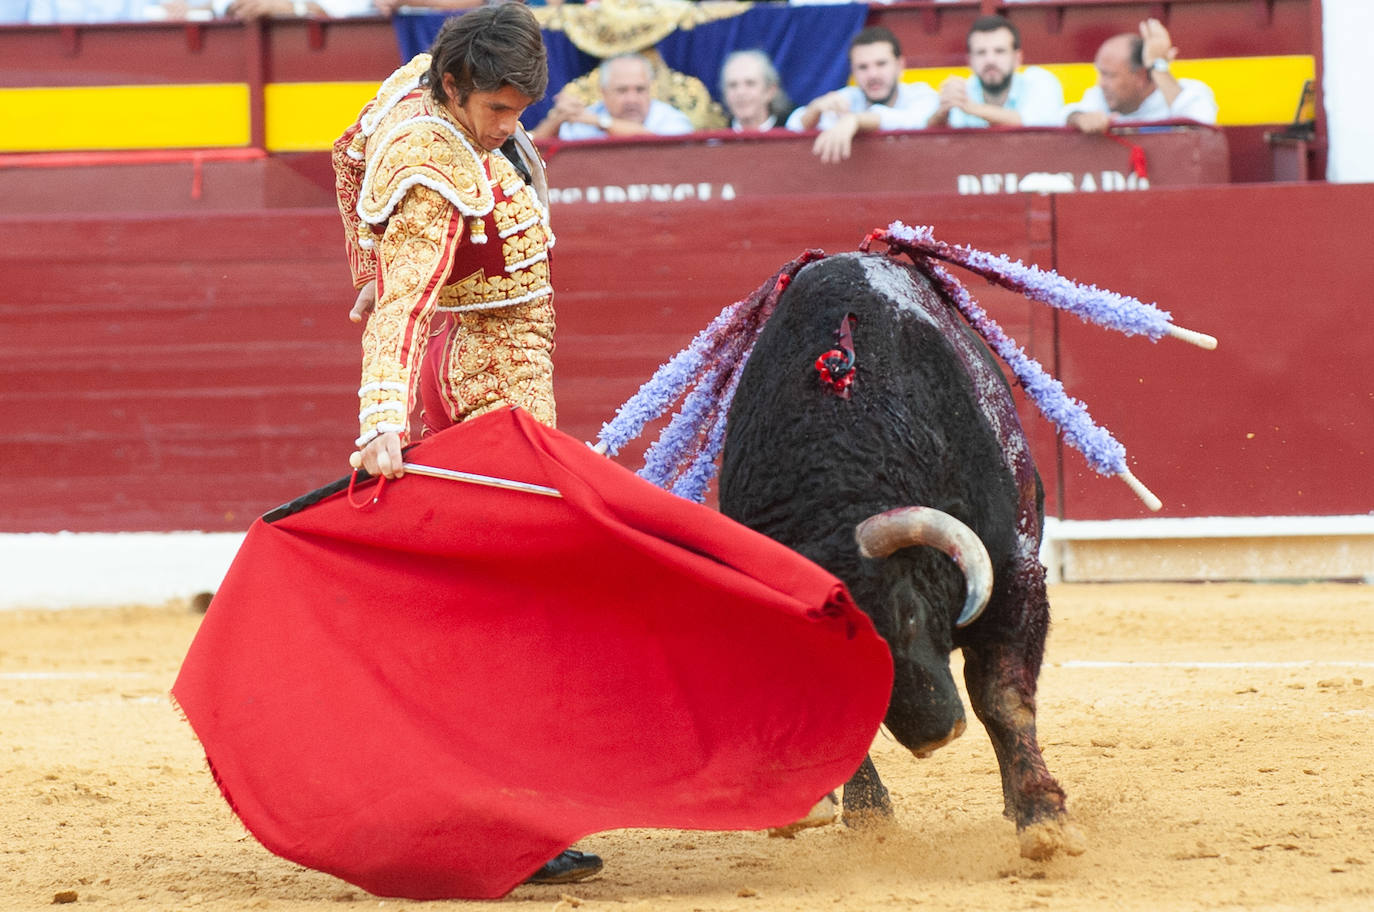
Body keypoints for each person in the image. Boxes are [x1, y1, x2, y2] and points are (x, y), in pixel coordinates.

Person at [331, 6, 600, 883]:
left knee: (494, 599)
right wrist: (379, 421)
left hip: (483, 364)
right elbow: (407, 308)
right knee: (518, 607)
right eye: (495, 111)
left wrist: (361, 267)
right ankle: (509, 821)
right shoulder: (432, 169)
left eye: (520, 110)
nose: (507, 131)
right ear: (454, 88)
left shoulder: (416, 80)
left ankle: (482, 804)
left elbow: (344, 152)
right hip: (489, 384)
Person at [784, 26, 938, 164]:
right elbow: (793, 125)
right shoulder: (849, 98)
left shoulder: (921, 94)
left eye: (881, 64)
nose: (872, 74)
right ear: (853, 71)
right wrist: (814, 109)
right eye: (863, 67)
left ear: (900, 65)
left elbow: (917, 120)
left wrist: (856, 120)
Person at [1063, 18, 1218, 132]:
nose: (1101, 83)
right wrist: (1078, 118)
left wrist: (1158, 64)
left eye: (1109, 75)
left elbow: (1201, 123)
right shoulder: (1099, 96)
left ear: (1141, 77)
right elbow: (1064, 115)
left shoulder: (1189, 90)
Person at [927, 15, 1064, 128]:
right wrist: (941, 114)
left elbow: (1037, 124)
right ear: (970, 61)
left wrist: (971, 108)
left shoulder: (1040, 81)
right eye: (981, 53)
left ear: (1017, 58)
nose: (990, 60)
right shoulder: (961, 91)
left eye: (1000, 51)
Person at [530, 53, 694, 140]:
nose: (632, 99)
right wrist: (558, 119)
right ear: (604, 92)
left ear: (651, 88)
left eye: (640, 89)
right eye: (622, 90)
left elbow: (656, 143)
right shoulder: (585, 119)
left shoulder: (672, 119)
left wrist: (599, 122)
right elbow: (531, 150)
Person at [719, 49, 793, 132]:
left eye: (750, 83)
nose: (740, 92)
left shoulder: (791, 128)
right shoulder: (715, 136)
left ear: (770, 91)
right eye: (732, 85)